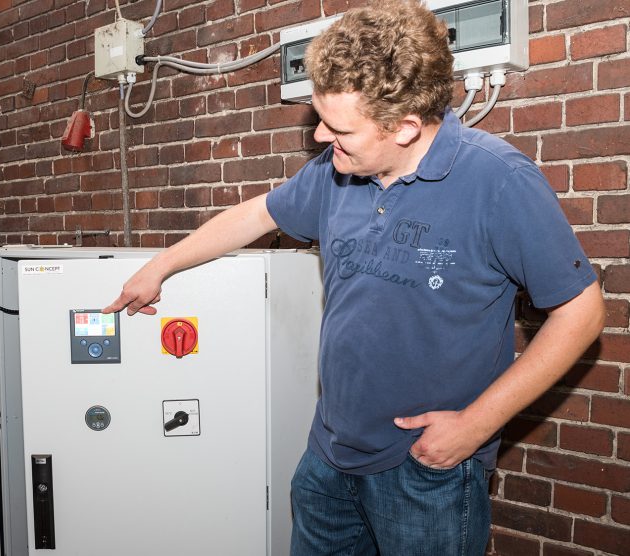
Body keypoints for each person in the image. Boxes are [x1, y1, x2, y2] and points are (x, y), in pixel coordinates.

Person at [103, 1, 605, 554]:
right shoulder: (337, 173)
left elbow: (581, 313)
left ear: (407, 128)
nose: (320, 137)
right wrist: (160, 266)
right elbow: (257, 214)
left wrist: (474, 426)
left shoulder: (499, 182)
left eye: (338, 127)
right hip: (329, 455)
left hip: (426, 468)